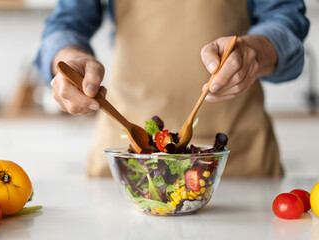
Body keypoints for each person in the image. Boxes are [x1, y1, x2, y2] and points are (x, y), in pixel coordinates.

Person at [35, 0, 309, 178]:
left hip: (241, 167)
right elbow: (65, 24)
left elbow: (286, 20)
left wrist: (253, 52)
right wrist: (71, 59)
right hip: (129, 169)